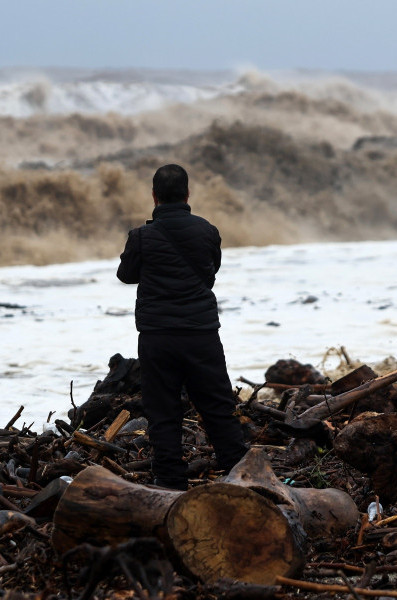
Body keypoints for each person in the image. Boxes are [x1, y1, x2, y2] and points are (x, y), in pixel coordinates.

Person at [117, 164, 248, 490]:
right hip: (201, 334)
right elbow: (210, 271)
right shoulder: (208, 231)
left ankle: (172, 486)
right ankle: (244, 479)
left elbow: (125, 274)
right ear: (188, 194)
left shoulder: (141, 237)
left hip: (158, 338)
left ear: (154, 196)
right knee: (219, 409)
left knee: (163, 415)